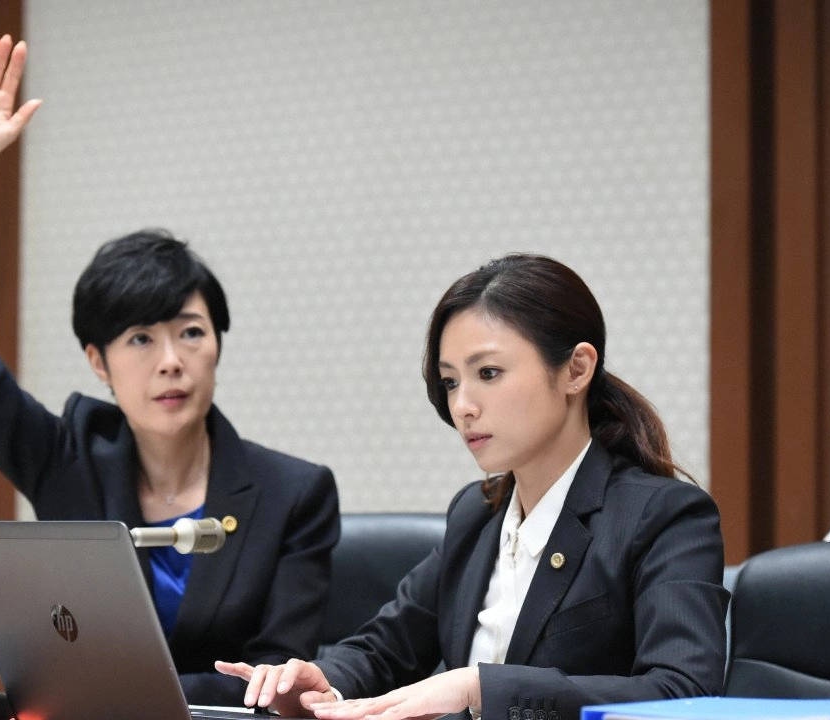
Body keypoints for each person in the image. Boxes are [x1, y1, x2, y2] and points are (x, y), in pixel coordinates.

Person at [0, 35, 340, 705]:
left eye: (190, 333)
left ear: (217, 344)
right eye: (140, 339)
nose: (170, 362)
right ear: (98, 362)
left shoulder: (294, 495)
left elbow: (274, 681)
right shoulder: (68, 461)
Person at [218, 254, 728, 720]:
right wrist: (324, 685)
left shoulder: (664, 516)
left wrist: (481, 687)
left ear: (576, 370)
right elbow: (385, 648)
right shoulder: (476, 513)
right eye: (450, 382)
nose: (463, 405)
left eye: (488, 372)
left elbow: (684, 692)